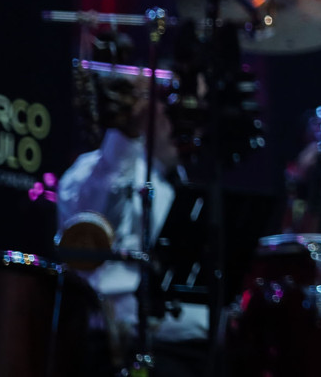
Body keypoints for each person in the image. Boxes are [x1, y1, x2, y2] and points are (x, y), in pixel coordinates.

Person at [56, 89, 211, 377]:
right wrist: (126, 132)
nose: (187, 120)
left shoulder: (185, 186)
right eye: (172, 103)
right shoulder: (93, 172)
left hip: (196, 346)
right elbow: (100, 217)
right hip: (127, 350)